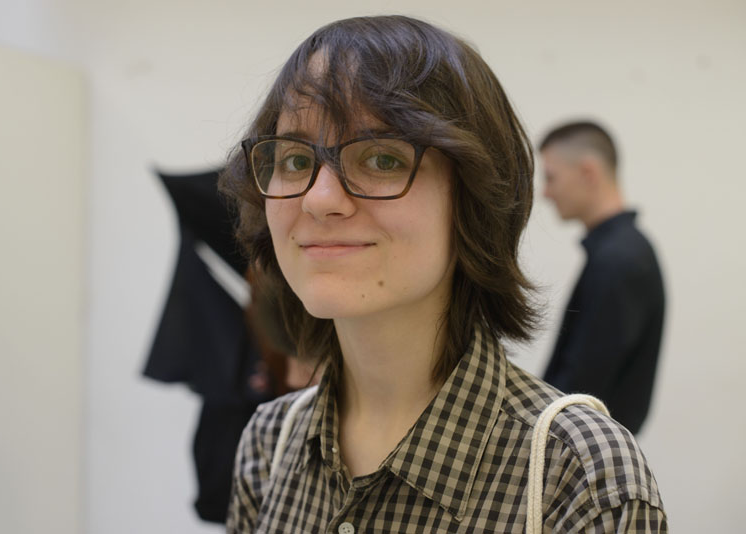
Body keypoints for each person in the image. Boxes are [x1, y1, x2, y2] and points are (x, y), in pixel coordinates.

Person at [220, 16, 667, 533]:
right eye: (296, 160)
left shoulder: (579, 477)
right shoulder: (270, 444)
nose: (319, 199)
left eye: (382, 158)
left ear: (474, 197)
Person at [539, 121, 665, 435]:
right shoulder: (621, 252)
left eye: (551, 177)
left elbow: (580, 389)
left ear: (588, 172)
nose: (546, 193)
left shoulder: (619, 261)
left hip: (583, 453)